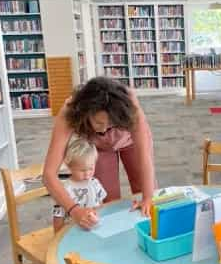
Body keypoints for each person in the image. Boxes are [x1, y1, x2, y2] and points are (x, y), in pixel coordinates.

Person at [43, 77, 156, 230]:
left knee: (146, 194)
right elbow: (48, 175)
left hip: (129, 140)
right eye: (98, 123)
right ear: (85, 113)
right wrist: (75, 210)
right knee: (107, 200)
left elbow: (144, 156)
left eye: (110, 123)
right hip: (99, 147)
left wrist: (148, 198)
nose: (104, 129)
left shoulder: (129, 103)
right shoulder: (70, 110)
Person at [52, 137, 106, 232]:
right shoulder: (65, 189)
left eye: (91, 168)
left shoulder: (94, 183)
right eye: (82, 170)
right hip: (72, 230)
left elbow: (100, 204)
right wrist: (57, 235)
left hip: (93, 228)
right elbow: (58, 214)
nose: (87, 173)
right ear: (69, 166)